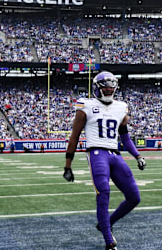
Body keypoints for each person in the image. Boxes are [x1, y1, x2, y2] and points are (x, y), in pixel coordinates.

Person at [63, 71, 146, 250]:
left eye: (111, 86)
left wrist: (138, 156)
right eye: (105, 86)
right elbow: (74, 137)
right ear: (97, 88)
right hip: (96, 153)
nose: (108, 89)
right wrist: (67, 165)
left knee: (134, 197)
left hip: (115, 154)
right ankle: (109, 242)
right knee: (104, 192)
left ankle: (105, 224)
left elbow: (125, 138)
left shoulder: (121, 107)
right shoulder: (85, 104)